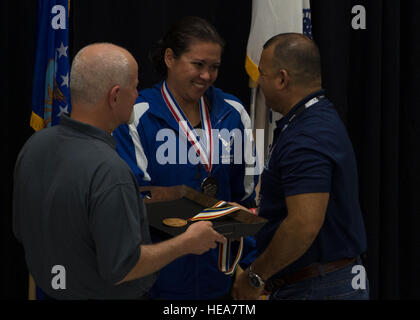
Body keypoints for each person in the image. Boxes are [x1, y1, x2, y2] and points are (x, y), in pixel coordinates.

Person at [13, 43, 225, 300]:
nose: (138, 94)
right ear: (114, 96)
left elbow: (23, 230)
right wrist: (187, 242)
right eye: (135, 87)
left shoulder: (35, 145)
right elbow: (124, 267)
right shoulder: (110, 170)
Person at [113, 16, 258, 299]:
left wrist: (247, 266)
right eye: (198, 64)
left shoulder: (233, 112)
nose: (206, 75)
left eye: (214, 67)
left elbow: (246, 198)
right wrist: (203, 214)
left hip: (219, 280)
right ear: (170, 58)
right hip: (158, 282)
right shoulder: (136, 114)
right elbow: (135, 200)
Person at [232, 33, 369, 300]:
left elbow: (303, 224)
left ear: (282, 79)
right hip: (323, 281)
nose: (259, 82)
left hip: (317, 287)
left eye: (263, 74)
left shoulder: (307, 136)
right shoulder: (316, 116)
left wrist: (254, 276)